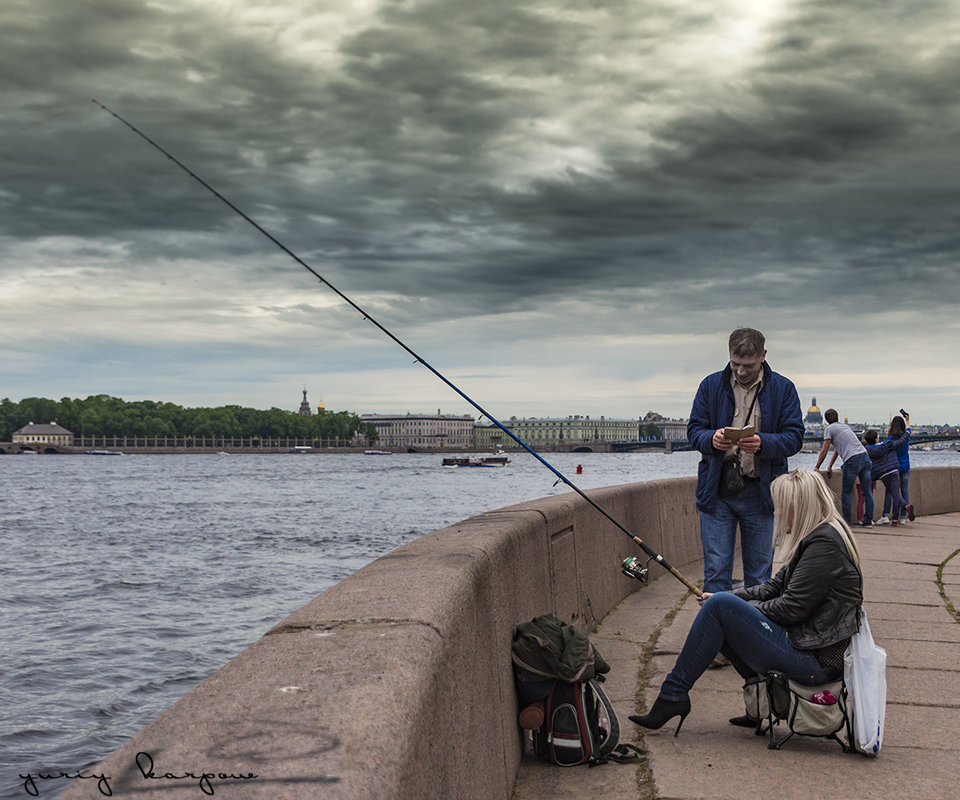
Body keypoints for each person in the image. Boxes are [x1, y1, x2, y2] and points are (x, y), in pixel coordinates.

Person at [630, 469, 863, 735]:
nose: (776, 514)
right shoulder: (818, 536)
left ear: (798, 508)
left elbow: (789, 609)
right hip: (807, 646)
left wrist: (738, 609)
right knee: (721, 609)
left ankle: (673, 696)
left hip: (815, 663)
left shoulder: (824, 544)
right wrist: (729, 599)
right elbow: (773, 587)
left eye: (781, 507)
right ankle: (757, 705)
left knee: (719, 610)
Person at [687, 328, 804, 596]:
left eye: (748, 365)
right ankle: (719, 633)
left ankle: (752, 634)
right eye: (735, 364)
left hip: (761, 493)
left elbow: (795, 438)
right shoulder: (710, 385)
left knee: (760, 576)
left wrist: (763, 443)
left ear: (763, 356)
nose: (741, 371)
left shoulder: (783, 389)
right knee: (716, 572)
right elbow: (694, 431)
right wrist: (712, 439)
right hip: (717, 492)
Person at [815, 409, 874, 527]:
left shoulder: (829, 429)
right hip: (865, 457)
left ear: (826, 420)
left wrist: (817, 467)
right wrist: (830, 466)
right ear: (837, 417)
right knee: (867, 491)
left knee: (846, 492)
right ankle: (868, 521)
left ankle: (845, 522)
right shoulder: (845, 427)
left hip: (852, 461)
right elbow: (838, 449)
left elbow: (825, 449)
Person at [863, 426, 912, 526]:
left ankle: (898, 513)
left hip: (883, 474)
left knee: (893, 494)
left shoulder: (866, 451)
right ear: (876, 438)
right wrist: (907, 432)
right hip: (894, 470)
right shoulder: (885, 445)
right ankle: (901, 512)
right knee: (896, 494)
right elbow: (900, 442)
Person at [879, 414, 914, 525]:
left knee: (890, 491)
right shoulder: (906, 436)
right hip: (905, 467)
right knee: (904, 491)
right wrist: (907, 419)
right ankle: (902, 517)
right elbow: (908, 428)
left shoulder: (891, 439)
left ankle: (886, 515)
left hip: (893, 468)